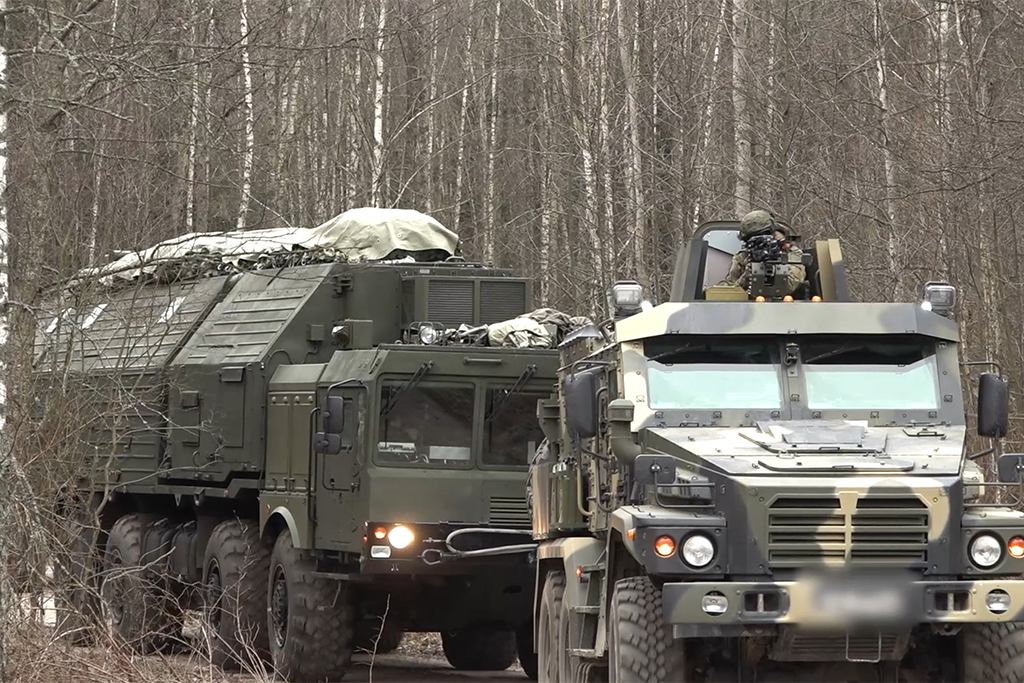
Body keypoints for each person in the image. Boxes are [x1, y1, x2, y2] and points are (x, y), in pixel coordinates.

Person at [718, 209, 806, 297]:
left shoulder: (790, 251)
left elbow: (791, 285)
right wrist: (747, 276)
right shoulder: (742, 257)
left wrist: (774, 263)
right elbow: (729, 293)